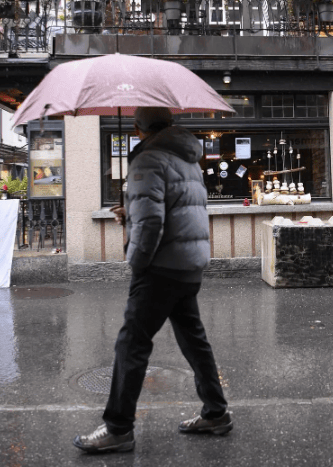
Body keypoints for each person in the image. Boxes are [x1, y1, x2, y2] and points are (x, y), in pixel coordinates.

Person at [73, 106, 232, 454]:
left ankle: (118, 428)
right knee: (194, 340)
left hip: (161, 267)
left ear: (136, 128)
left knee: (131, 343)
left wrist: (138, 262)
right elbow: (170, 209)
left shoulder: (147, 160)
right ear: (170, 124)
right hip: (188, 265)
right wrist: (132, 213)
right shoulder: (186, 158)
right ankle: (216, 412)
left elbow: (152, 224)